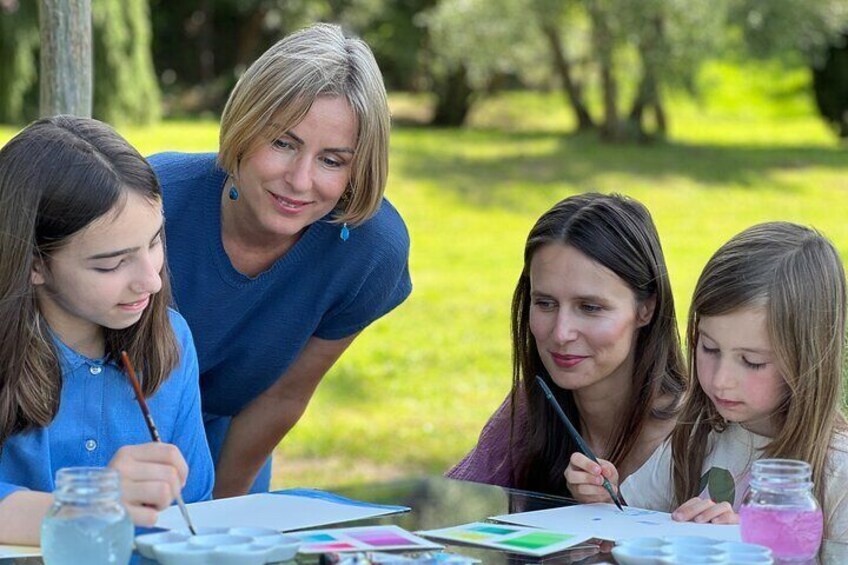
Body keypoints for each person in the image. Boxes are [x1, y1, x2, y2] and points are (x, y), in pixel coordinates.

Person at [148, 23, 411, 497]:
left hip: (229, 445)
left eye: (332, 160)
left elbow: (282, 395)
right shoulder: (150, 202)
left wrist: (223, 514)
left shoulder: (371, 252)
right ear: (245, 128)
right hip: (99, 437)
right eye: (283, 143)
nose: (300, 180)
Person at [0, 116, 214, 545]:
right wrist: (91, 504)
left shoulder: (172, 339)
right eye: (112, 263)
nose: (151, 281)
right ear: (34, 263)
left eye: (153, 242)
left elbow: (198, 510)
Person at [571, 222, 848, 540]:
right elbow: (627, 525)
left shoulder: (838, 473)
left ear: (810, 360)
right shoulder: (694, 436)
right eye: (709, 348)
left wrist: (741, 547)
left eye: (752, 362)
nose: (721, 380)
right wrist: (604, 497)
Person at [446, 193, 686, 496]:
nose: (561, 334)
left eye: (590, 307)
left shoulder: (698, 435)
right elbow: (454, 514)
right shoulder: (528, 412)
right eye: (545, 303)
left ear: (646, 309)